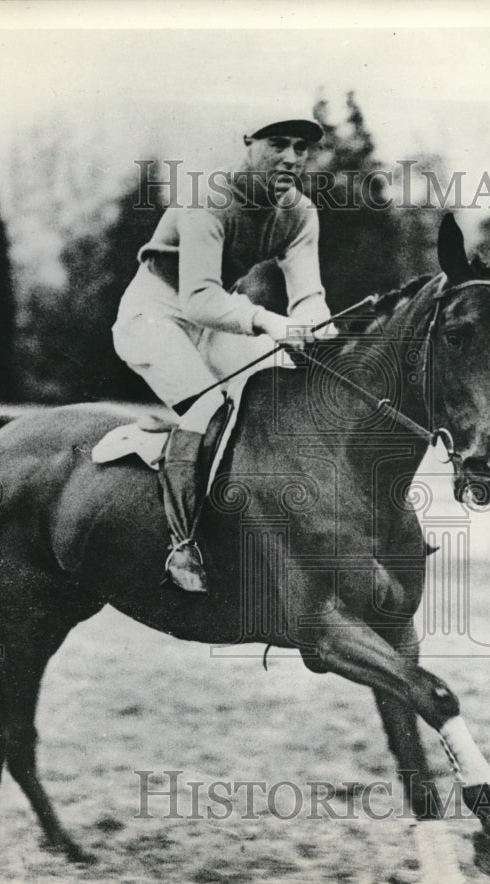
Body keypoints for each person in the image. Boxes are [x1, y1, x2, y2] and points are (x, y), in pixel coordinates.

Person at [113, 111, 337, 594]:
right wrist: (270, 322)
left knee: (283, 390)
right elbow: (198, 299)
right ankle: (183, 543)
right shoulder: (207, 197)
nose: (292, 158)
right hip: (154, 315)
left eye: (302, 148)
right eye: (279, 144)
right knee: (211, 411)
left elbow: (307, 296)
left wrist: (324, 330)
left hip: (217, 318)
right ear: (247, 142)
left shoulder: (299, 212)